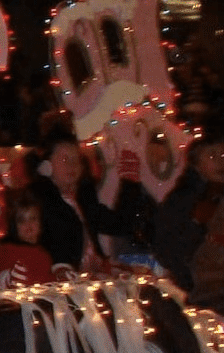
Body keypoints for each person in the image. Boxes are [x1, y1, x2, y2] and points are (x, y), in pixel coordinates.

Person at [26, 129, 154, 276]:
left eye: (76, 159)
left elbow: (120, 224)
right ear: (46, 166)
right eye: (64, 159)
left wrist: (129, 183)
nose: (72, 165)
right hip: (63, 281)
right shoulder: (38, 201)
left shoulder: (84, 198)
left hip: (92, 277)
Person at [155, 129, 224, 308]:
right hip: (201, 294)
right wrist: (196, 223)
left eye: (223, 154)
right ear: (195, 164)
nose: (220, 161)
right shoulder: (183, 200)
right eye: (211, 156)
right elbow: (167, 252)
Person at [0, 188, 57, 288]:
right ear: (14, 226)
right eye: (21, 221)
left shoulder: (44, 253)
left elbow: (48, 281)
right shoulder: (8, 250)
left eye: (33, 218)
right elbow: (1, 278)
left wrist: (60, 278)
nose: (28, 224)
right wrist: (11, 277)